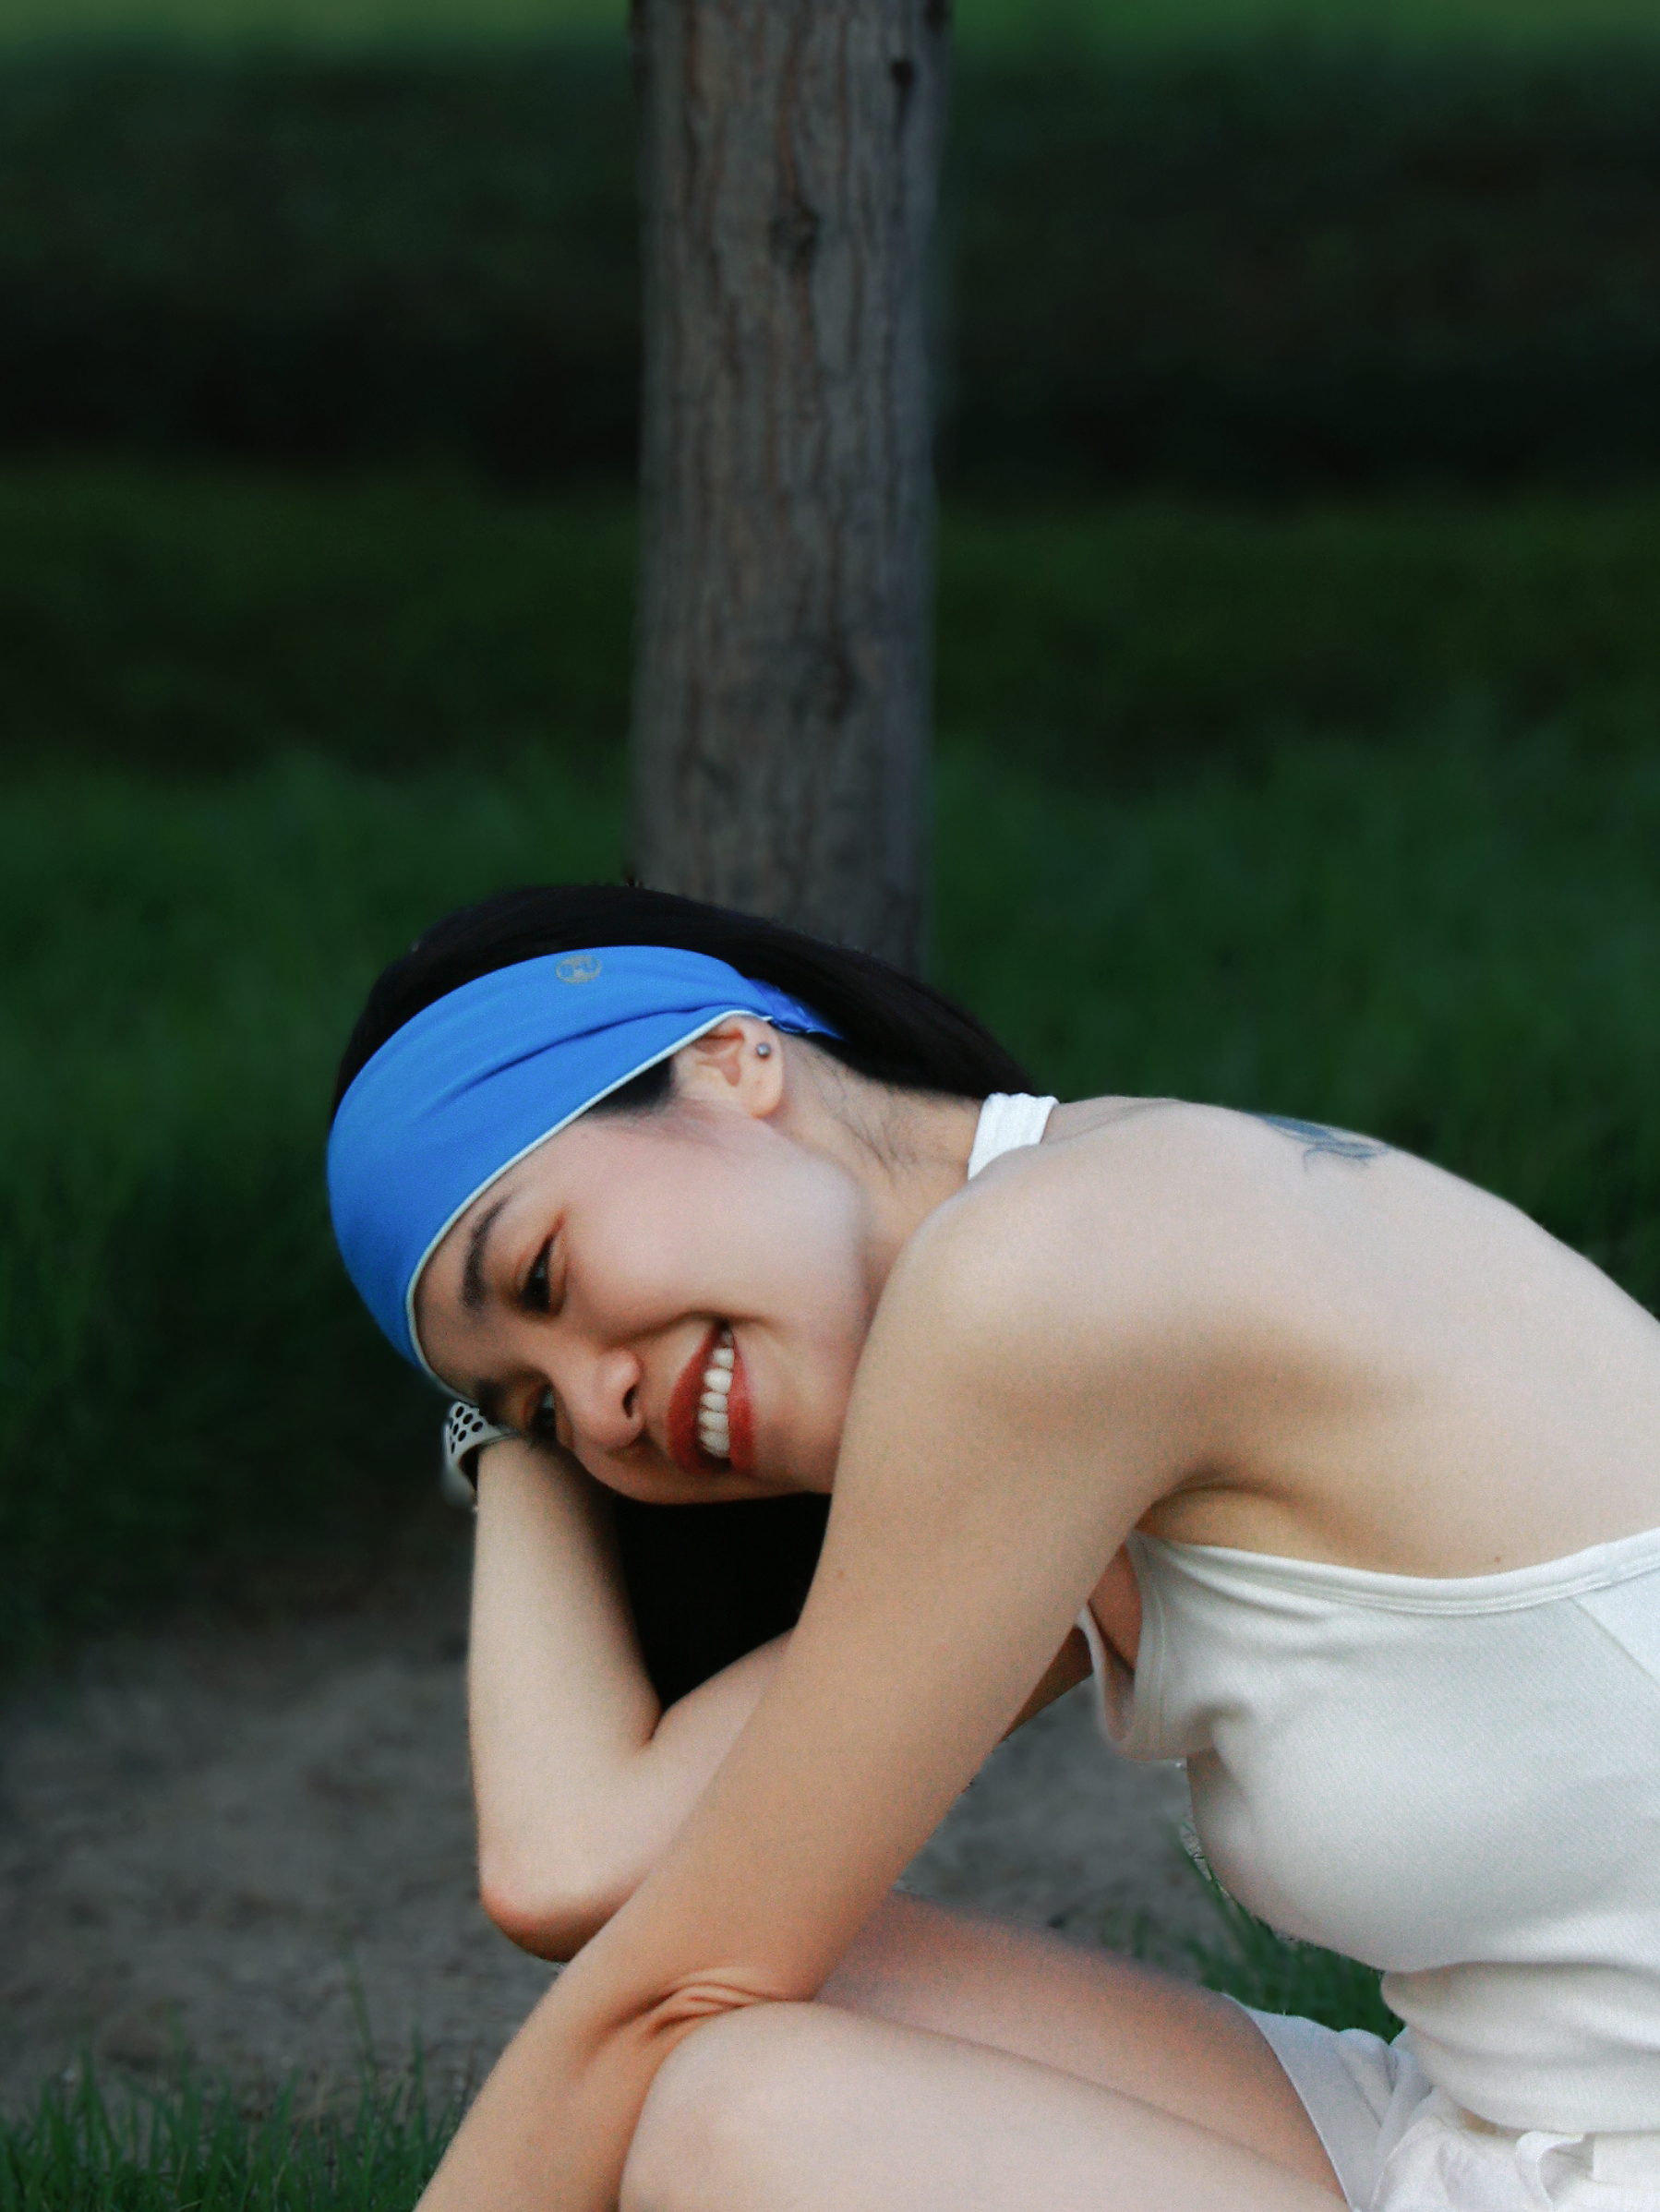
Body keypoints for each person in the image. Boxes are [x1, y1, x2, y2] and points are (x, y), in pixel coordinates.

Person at [326, 883, 1660, 2212]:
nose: (600, 1411)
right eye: (545, 1405)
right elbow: (585, 1871)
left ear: (731, 1063)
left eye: (544, 1277)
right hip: (1495, 2126)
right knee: (742, 2023)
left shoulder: (1050, 1282)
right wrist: (502, 1436)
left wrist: (526, 1400)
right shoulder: (1095, 1253)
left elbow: (670, 1987)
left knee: (734, 2119)